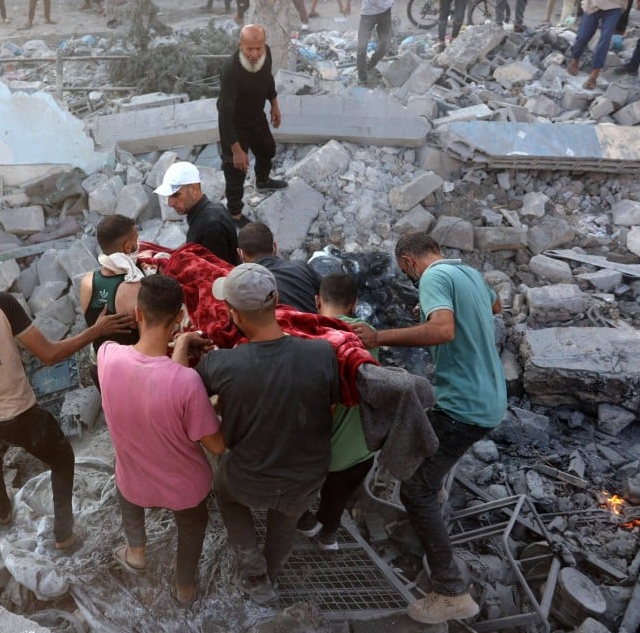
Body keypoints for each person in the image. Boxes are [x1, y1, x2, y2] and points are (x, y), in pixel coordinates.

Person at [0, 238, 135, 551]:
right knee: (62, 458)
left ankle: (2, 512)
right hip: (20, 416)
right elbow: (49, 355)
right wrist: (97, 330)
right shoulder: (0, 303)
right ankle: (64, 534)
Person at [352, 233, 506, 625]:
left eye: (406, 271)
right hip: (489, 398)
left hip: (465, 406)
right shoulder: (467, 272)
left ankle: (451, 590)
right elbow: (497, 304)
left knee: (415, 489)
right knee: (429, 444)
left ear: (408, 263)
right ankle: (434, 484)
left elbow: (441, 331)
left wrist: (379, 337)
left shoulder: (434, 277)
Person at [176, 263, 338, 602]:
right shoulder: (322, 353)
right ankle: (273, 573)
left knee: (227, 495)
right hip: (305, 475)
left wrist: (183, 346)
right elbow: (330, 405)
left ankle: (254, 574)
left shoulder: (222, 365)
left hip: (248, 478)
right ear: (276, 299)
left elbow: (175, 391)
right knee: (285, 521)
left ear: (232, 314)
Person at [98, 275, 225, 606]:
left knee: (125, 486)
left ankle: (136, 552)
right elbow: (216, 446)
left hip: (134, 481)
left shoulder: (107, 355)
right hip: (185, 490)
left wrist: (179, 346)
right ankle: (185, 588)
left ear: (139, 314)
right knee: (192, 527)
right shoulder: (187, 383)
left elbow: (155, 382)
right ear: (179, 317)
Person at [296, 273, 377, 550]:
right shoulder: (367, 334)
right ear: (354, 305)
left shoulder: (309, 337)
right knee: (336, 499)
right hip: (363, 448)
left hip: (323, 452)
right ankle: (328, 537)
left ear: (317, 301)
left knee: (295, 488)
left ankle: (301, 520)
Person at [216, 24, 287, 228]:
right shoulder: (231, 70)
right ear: (241, 46)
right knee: (235, 170)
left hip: (256, 117)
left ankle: (263, 181)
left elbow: (268, 80)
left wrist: (274, 105)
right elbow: (224, 114)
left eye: (259, 48)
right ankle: (235, 214)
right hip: (235, 124)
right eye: (249, 49)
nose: (255, 54)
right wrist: (236, 150)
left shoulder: (267, 54)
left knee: (268, 149)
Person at [345, 0, 429, 84]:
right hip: (368, 12)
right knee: (362, 47)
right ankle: (362, 77)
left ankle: (370, 65)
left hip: (385, 12)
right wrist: (348, 2)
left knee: (385, 46)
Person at [79, 214, 142, 383]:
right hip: (131, 376)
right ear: (128, 247)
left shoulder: (87, 281)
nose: (139, 246)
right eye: (136, 241)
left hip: (101, 369)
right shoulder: (135, 289)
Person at [154, 161, 241, 266]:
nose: (170, 203)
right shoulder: (209, 214)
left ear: (194, 189)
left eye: (176, 195)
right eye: (168, 196)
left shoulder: (211, 225)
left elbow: (216, 274)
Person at [236, 221, 321, 314]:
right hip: (317, 326)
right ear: (275, 247)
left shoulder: (243, 286)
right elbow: (331, 296)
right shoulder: (302, 267)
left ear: (241, 253)